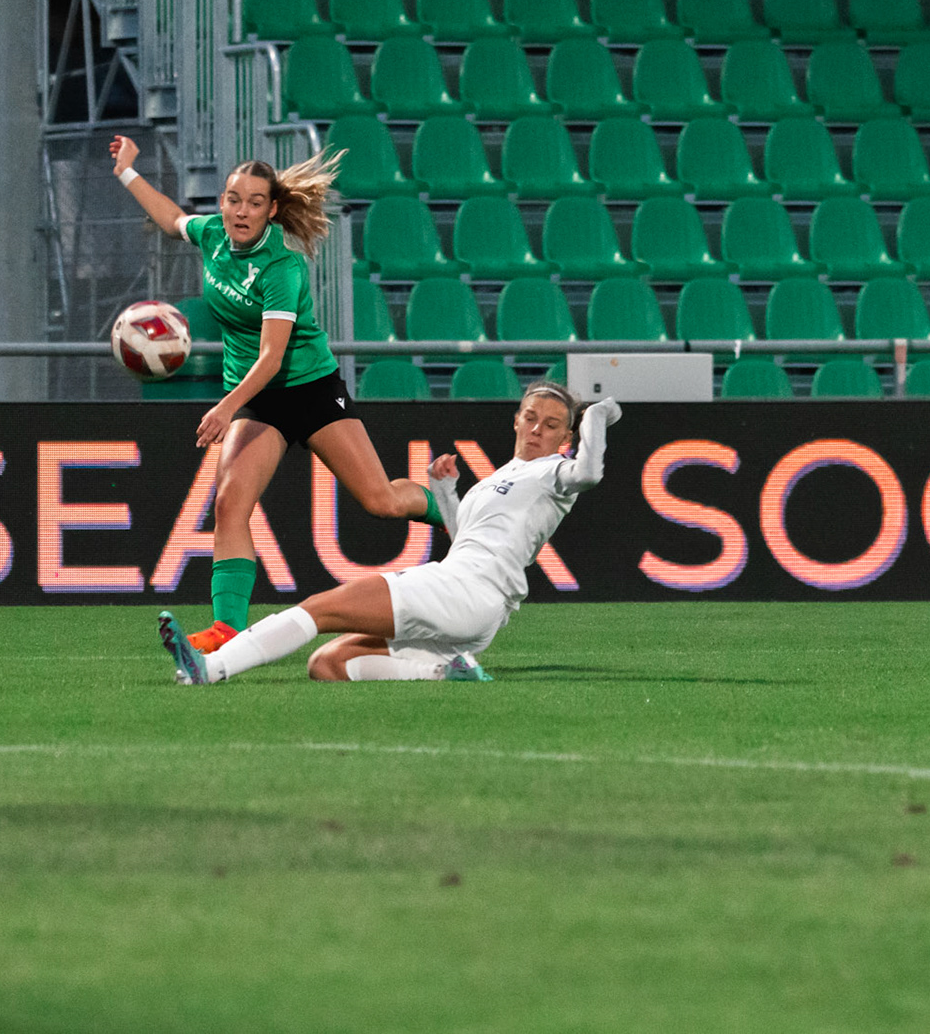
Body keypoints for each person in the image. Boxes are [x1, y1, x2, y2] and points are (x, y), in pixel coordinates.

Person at [109, 137, 447, 651]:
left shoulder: (281, 268)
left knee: (379, 502)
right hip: (258, 400)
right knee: (229, 503)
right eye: (232, 199)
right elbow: (172, 217)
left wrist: (223, 407)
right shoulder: (213, 237)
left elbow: (272, 357)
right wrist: (128, 173)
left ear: (271, 210)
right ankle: (227, 629)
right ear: (222, 202)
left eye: (253, 202)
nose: (240, 211)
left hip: (308, 390)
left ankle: (451, 508)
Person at [158, 382, 619, 684]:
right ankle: (446, 671)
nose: (538, 428)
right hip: (470, 604)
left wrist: (597, 416)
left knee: (320, 608)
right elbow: (464, 539)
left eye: (553, 424)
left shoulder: (556, 471)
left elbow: (590, 473)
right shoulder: (503, 478)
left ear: (565, 437)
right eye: (531, 417)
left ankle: (211, 668)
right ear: (516, 420)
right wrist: (445, 489)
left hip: (464, 592)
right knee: (327, 665)